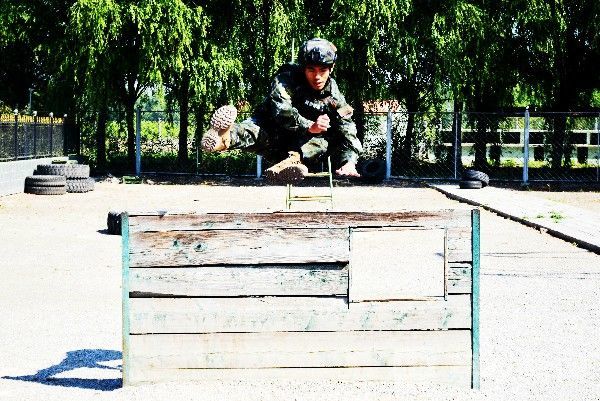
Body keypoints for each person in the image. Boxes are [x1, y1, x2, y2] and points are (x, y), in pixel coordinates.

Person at [200, 37, 363, 183]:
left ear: (331, 68)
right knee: (251, 131)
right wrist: (310, 126)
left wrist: (349, 162)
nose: (317, 77)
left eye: (323, 70)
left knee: (329, 136)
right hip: (271, 133)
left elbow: (348, 129)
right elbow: (282, 111)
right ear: (303, 68)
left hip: (301, 146)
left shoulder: (334, 95)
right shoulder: (286, 79)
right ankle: (223, 139)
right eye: (311, 70)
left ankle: (291, 163)